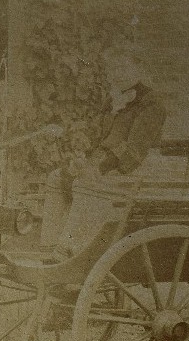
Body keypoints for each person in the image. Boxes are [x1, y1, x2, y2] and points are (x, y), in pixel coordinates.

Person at [40, 49, 166, 257]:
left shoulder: (152, 104)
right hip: (105, 166)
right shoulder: (114, 101)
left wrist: (98, 167)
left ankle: (70, 251)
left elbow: (135, 151)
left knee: (85, 182)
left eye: (123, 68)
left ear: (138, 69)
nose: (118, 74)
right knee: (57, 177)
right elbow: (97, 135)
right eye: (114, 69)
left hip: (131, 173)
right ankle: (49, 247)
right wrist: (81, 157)